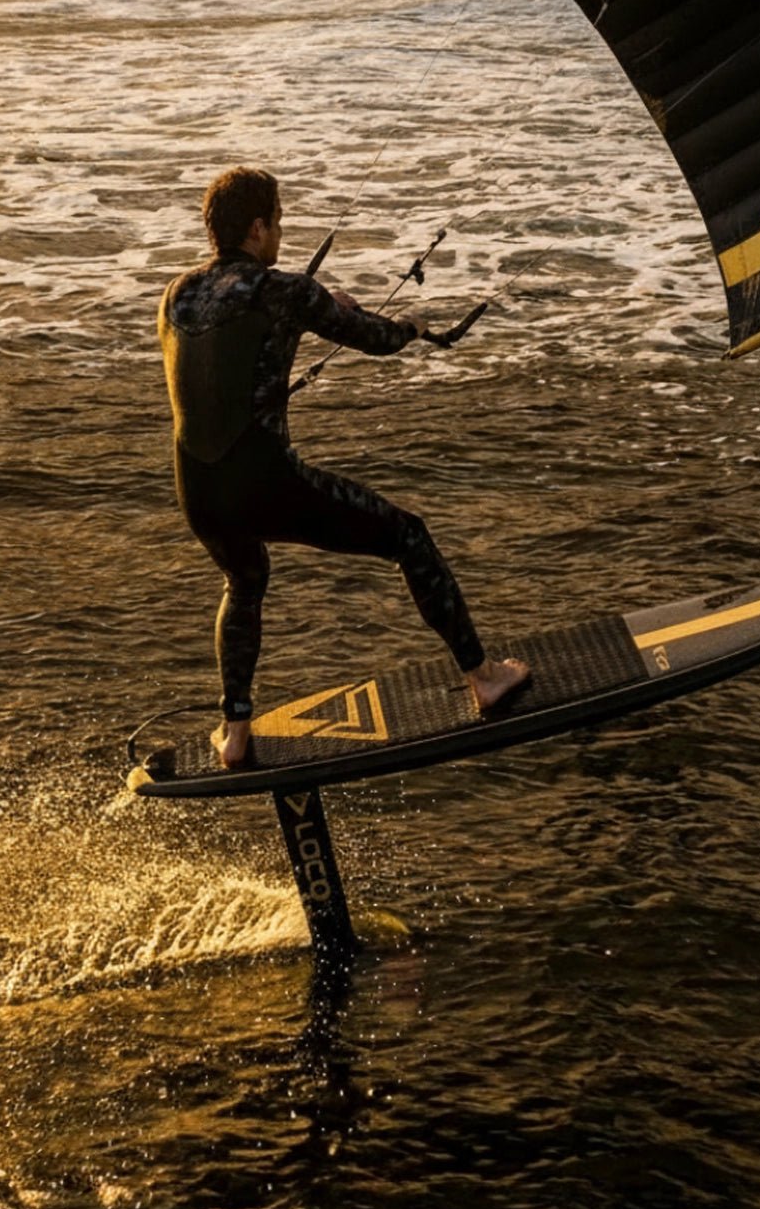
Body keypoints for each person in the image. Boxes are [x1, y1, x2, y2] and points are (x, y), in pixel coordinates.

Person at [158, 166, 529, 768]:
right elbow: (374, 340)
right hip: (263, 483)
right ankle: (485, 676)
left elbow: (229, 359)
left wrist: (312, 308)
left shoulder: (176, 292)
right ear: (258, 227)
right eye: (278, 222)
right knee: (408, 536)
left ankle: (234, 733)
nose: (280, 232)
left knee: (244, 582)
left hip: (196, 489)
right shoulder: (286, 292)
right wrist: (409, 326)